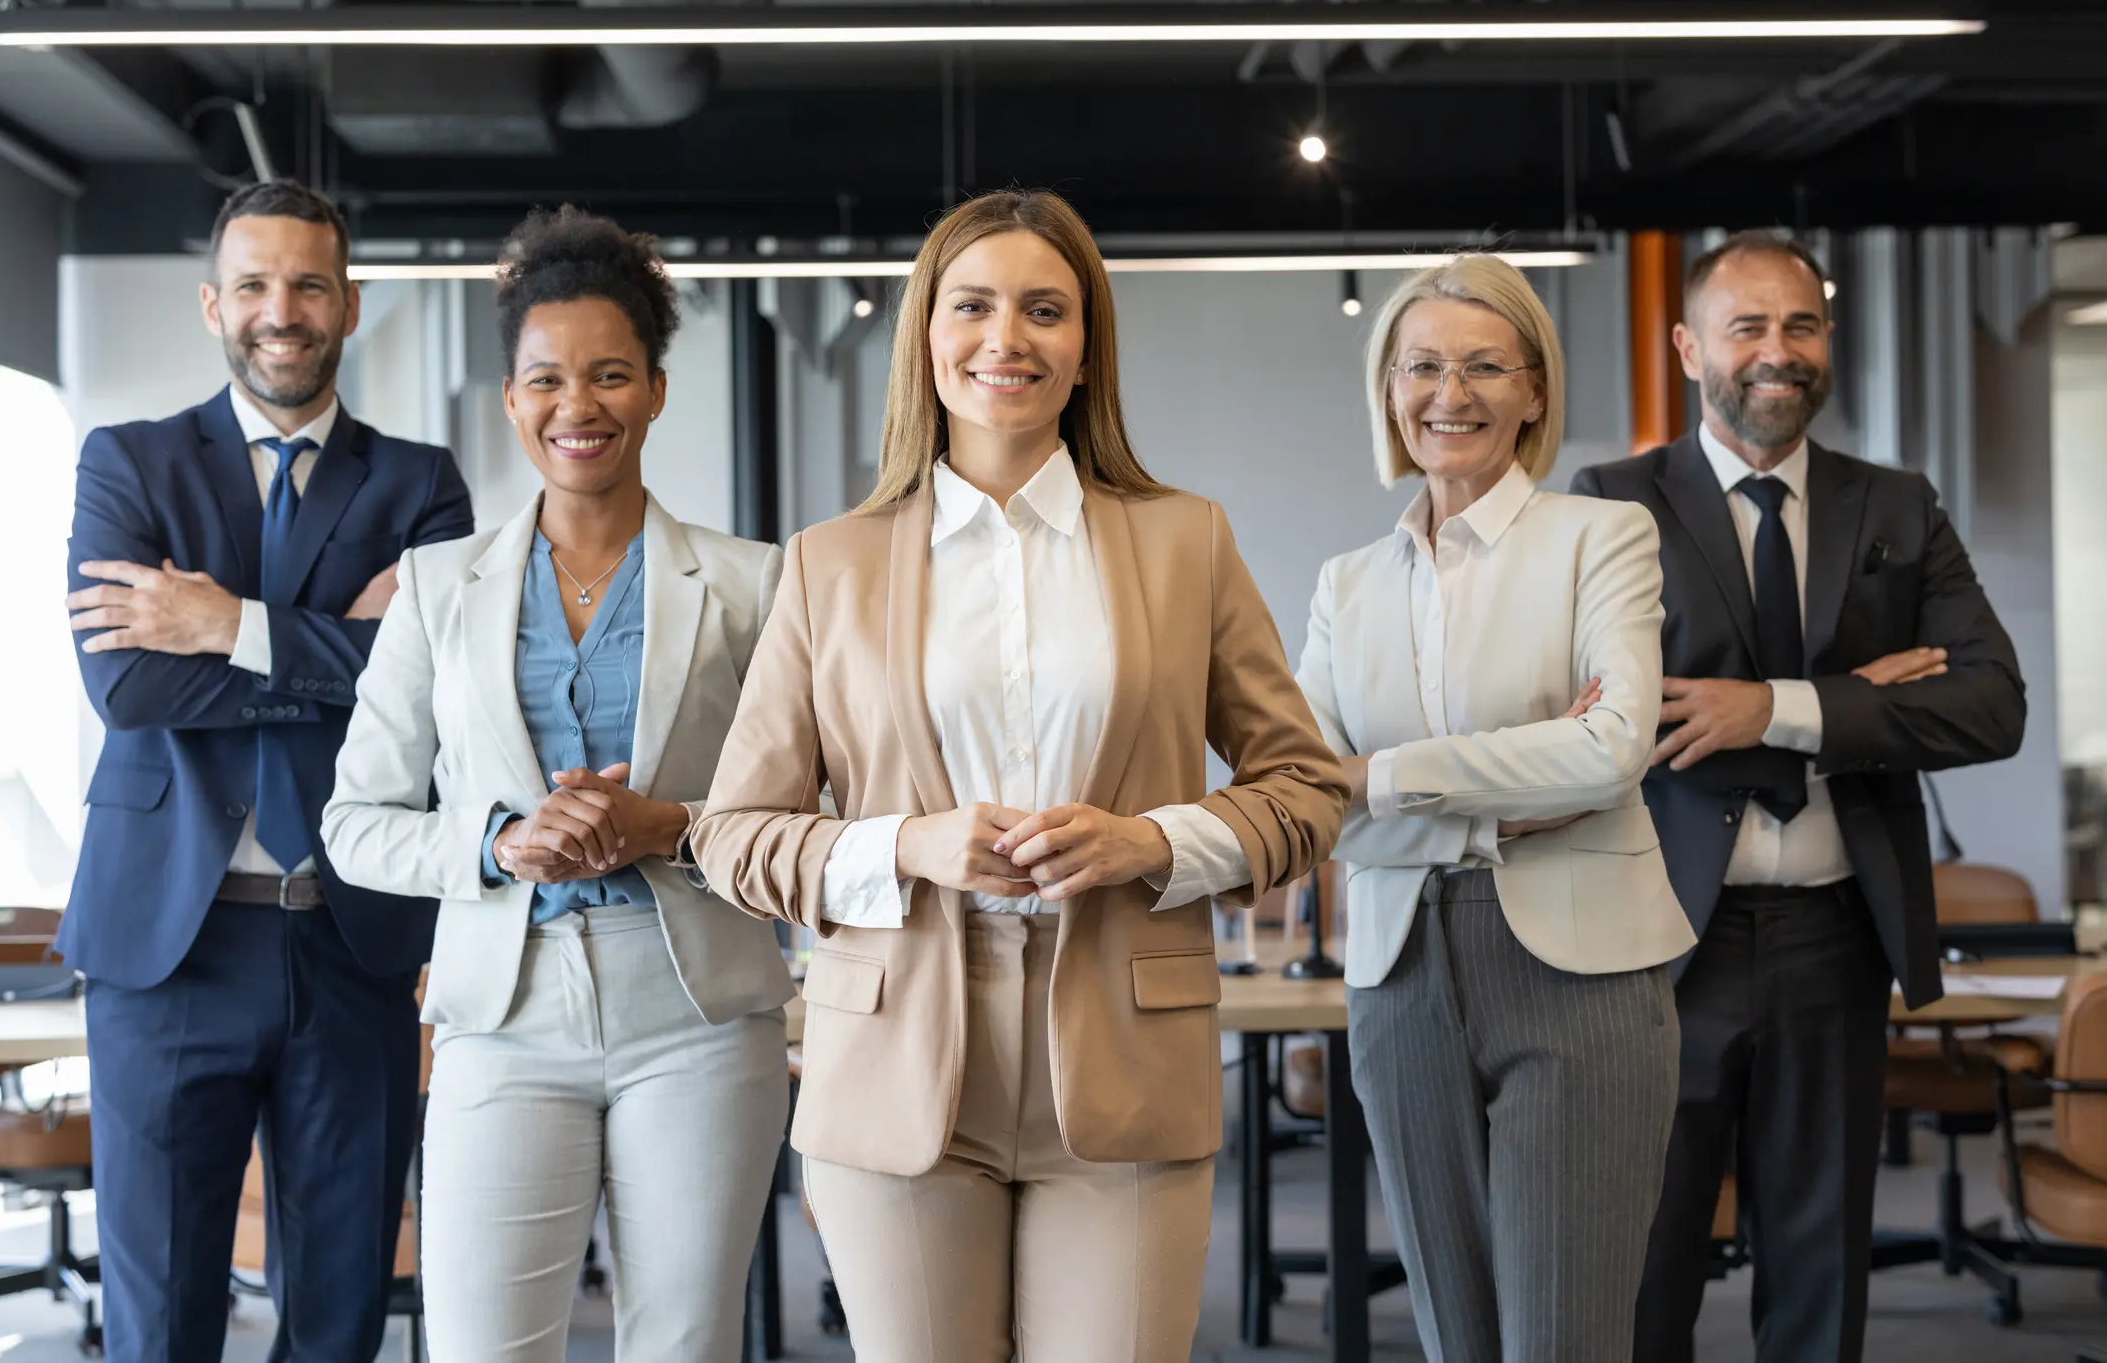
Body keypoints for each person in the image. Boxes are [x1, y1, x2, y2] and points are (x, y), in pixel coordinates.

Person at [690, 187, 1346, 1363]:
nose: (1008, 339)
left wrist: (1156, 842)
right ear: (925, 338)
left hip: (1126, 1054)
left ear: (1086, 346)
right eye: (974, 306)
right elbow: (733, 836)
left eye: (1046, 310)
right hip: (899, 1060)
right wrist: (904, 844)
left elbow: (1304, 787)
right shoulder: (829, 564)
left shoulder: (1184, 539)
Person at [321, 206, 793, 1362]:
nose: (578, 406)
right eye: (546, 379)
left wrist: (668, 825)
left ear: (657, 390)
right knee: (484, 1345)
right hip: (502, 1012)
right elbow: (354, 825)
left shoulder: (753, 584)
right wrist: (497, 844)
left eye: (610, 375)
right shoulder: (437, 587)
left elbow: (811, 815)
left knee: (682, 1343)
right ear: (510, 399)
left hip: (696, 1012)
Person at [1571, 232, 2027, 1363]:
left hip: (1837, 936)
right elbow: (1615, 726)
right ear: (1689, 347)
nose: (1779, 353)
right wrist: (1856, 700)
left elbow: (1990, 707)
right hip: (1664, 938)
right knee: (1644, 1266)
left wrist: (1778, 707)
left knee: (1823, 1268)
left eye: (1802, 326)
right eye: (1748, 328)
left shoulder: (1897, 506)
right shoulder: (1613, 506)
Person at [59, 179, 473, 1363]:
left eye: (307, 285)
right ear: (212, 304)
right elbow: (129, 689)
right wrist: (346, 645)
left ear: (352, 304)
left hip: (349, 941)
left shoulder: (420, 485)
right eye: (253, 285)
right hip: (166, 947)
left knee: (341, 1314)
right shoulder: (127, 465)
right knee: (162, 1318)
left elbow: (439, 691)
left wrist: (227, 622)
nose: (278, 311)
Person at [1294, 255, 1695, 1363]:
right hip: (1401, 973)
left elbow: (1612, 748)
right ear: (1388, 388)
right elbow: (1299, 788)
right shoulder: (1345, 584)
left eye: (1484, 365)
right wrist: (1506, 792)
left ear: (1532, 390)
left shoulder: (1601, 539)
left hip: (1582, 978)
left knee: (1561, 1339)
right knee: (1453, 1339)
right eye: (1421, 365)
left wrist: (1382, 774)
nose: (1449, 393)